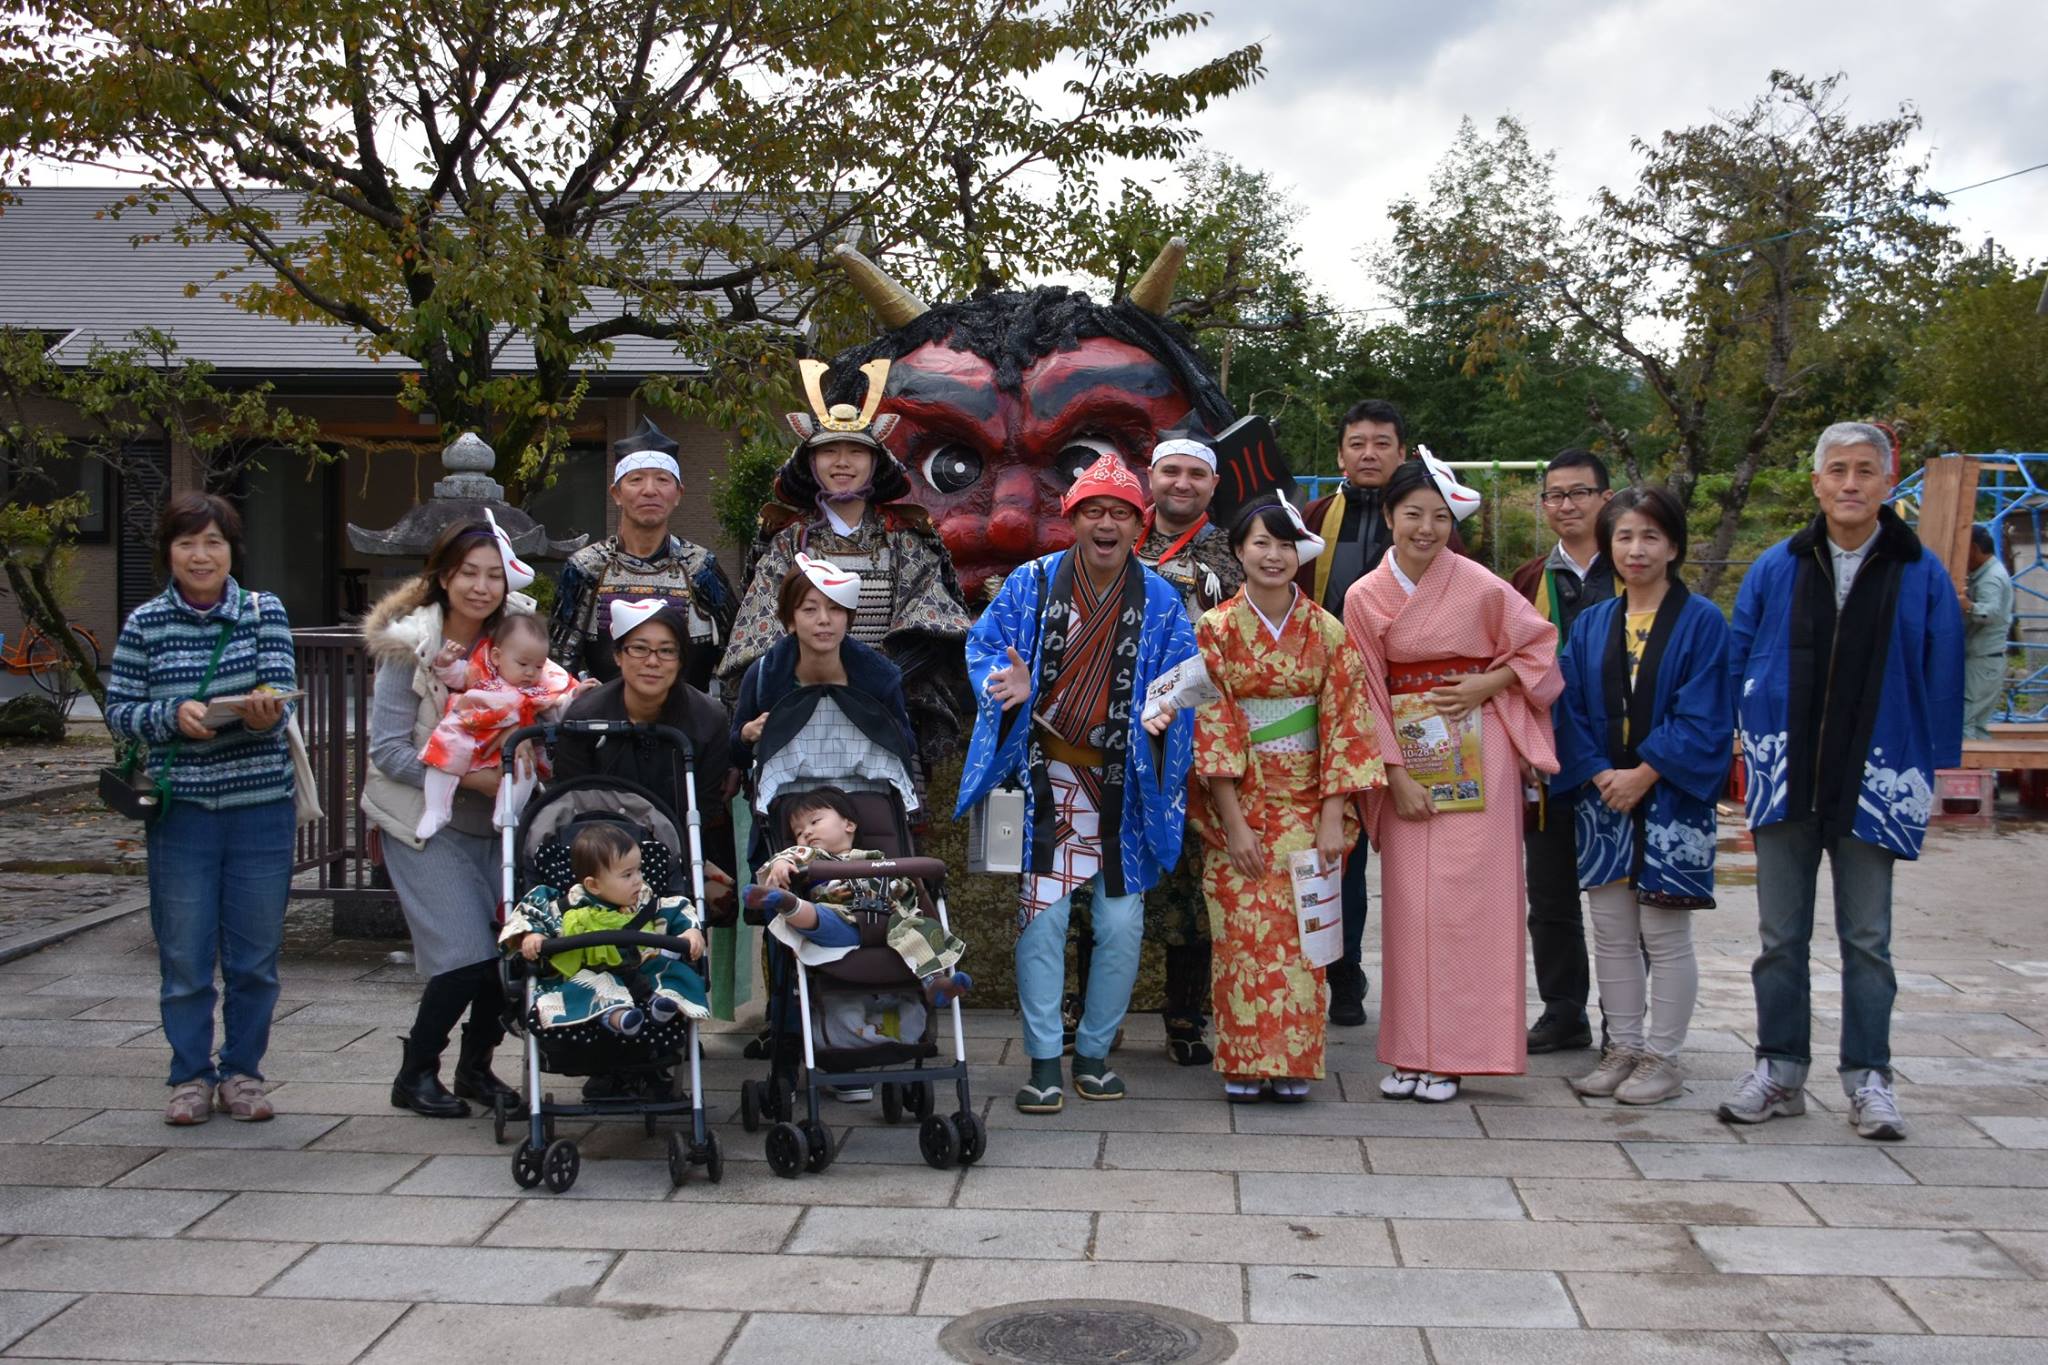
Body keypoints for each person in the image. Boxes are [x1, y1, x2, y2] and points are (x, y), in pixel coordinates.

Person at [1719, 422, 1964, 1141]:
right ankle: (1780, 1068)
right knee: (1778, 935)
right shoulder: (1777, 566)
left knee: (1867, 938)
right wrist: (1744, 751)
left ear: (1888, 482)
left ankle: (1869, 1078)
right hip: (1785, 776)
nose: (1850, 483)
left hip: (1875, 777)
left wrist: (1928, 769)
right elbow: (1740, 657)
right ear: (1817, 482)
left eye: (1865, 470)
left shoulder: (1920, 572)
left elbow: (1941, 671)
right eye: (1837, 470)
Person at [957, 451, 1197, 1115]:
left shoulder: (1164, 599)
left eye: (1120, 513)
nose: (1106, 523)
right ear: (1072, 519)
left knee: (1122, 924)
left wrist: (1167, 708)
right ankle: (1042, 1061)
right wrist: (1005, 687)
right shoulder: (1030, 584)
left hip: (1125, 781)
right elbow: (983, 649)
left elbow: (1188, 677)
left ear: (1138, 526)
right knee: (1043, 919)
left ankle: (1092, 1053)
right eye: (1093, 510)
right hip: (1047, 774)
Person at [1343, 453, 1561, 1104]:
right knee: (1412, 909)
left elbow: (1538, 647)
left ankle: (1461, 1053)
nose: (1426, 528)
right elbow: (1364, 691)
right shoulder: (1364, 595)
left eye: (1440, 517)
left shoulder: (1479, 583)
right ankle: (1413, 1051)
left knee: (1472, 905)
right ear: (1388, 516)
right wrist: (1391, 774)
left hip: (1478, 742)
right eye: (1413, 514)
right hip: (1407, 748)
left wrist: (1486, 682)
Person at [1180, 497, 1383, 1101]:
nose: (1273, 555)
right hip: (1236, 803)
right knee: (1241, 931)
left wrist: (1330, 816)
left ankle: (1294, 1060)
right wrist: (1234, 823)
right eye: (1260, 543)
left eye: (1285, 544)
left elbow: (1346, 723)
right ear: (1238, 552)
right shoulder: (1214, 630)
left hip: (1305, 799)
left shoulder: (1327, 630)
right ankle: (1243, 1061)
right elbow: (1210, 720)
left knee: (1301, 934)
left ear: (1301, 554)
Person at [105, 492, 298, 1126]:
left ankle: (243, 1073)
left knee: (254, 957)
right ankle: (189, 1076)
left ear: (230, 549)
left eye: (213, 541)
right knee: (185, 954)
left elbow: (281, 696)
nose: (200, 554)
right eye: (188, 542)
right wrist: (171, 715)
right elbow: (121, 711)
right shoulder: (145, 623)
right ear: (168, 551)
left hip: (259, 808)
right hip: (181, 809)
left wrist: (263, 709)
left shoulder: (263, 612)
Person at [1069, 436, 1246, 1066]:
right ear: (1150, 478)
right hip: (1109, 730)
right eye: (1170, 471)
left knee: (1186, 882)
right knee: (1097, 871)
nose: (1181, 483)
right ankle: (1092, 1016)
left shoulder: (1235, 550)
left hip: (1191, 734)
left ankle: (1184, 1016)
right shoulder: (1114, 537)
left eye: (1195, 474)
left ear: (1213, 483)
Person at [1553, 488, 1732, 1105]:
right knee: (1610, 931)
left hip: (1671, 796)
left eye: (1650, 536)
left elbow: (1706, 714)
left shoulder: (1703, 621)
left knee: (1664, 933)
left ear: (1674, 546)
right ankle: (1622, 1047)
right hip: (1601, 798)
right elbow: (1568, 704)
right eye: (1625, 536)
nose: (1636, 549)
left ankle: (1663, 1057)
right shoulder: (1593, 622)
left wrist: (1644, 773)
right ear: (1609, 544)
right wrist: (1602, 774)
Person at [1294, 400, 1463, 1027]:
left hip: (1414, 706)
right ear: (1340, 454)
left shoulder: (1431, 525)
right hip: (1324, 704)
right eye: (1357, 444)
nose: (1369, 454)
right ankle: (1333, 966)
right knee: (1336, 843)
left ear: (1403, 452)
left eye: (1382, 443)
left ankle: (1392, 974)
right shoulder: (1314, 519)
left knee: (1413, 842)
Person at [720, 360, 971, 765]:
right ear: (810, 462)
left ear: (875, 462)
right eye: (829, 451)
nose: (842, 462)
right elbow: (757, 635)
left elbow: (936, 622)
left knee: (885, 820)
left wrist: (881, 681)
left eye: (856, 451)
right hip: (796, 708)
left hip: (886, 708)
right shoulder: (788, 542)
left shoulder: (904, 539)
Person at [363, 518, 528, 1118]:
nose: (481, 587)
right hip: (421, 823)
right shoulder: (410, 647)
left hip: (495, 825)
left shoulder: (511, 645)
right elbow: (387, 752)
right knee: (466, 954)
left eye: (493, 575)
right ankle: (416, 1072)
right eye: (468, 574)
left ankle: (475, 1072)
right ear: (443, 577)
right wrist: (466, 777)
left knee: (509, 952)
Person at [1508, 449, 1617, 1056]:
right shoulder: (1528, 579)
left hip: (1618, 761)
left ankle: (1627, 1017)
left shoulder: (1631, 568)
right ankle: (1564, 1010)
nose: (1567, 505)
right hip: (1547, 761)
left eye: (1580, 493)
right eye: (1555, 495)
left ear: (1606, 497)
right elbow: (1508, 664)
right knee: (1550, 895)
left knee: (1625, 896)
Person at [549, 418, 737, 693]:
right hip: (604, 723)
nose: (650, 490)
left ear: (678, 494)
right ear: (616, 493)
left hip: (689, 723)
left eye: (662, 480)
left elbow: (734, 656)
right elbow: (558, 664)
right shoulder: (587, 567)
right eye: (636, 480)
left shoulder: (700, 566)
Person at [746, 785, 972, 1006]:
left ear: (849, 825)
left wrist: (908, 888)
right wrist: (782, 864)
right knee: (818, 916)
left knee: (921, 929)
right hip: (842, 918)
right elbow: (792, 854)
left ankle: (934, 982)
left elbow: (904, 889)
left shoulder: (878, 858)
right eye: (798, 832)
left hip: (892, 919)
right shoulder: (814, 856)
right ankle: (787, 903)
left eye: (815, 822)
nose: (806, 832)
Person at [500, 823, 709, 1036]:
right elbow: (532, 912)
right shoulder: (568, 906)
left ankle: (664, 1005)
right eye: (627, 875)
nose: (638, 879)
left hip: (644, 968)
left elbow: (677, 909)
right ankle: (618, 1018)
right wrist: (533, 934)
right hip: (591, 973)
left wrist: (691, 931)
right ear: (594, 886)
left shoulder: (647, 902)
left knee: (676, 973)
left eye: (639, 870)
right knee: (586, 990)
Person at [416, 609, 580, 840]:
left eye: (539, 666)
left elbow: (557, 705)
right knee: (443, 757)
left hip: (513, 746)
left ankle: (506, 813)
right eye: (522, 663)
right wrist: (444, 662)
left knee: (524, 769)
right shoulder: (482, 672)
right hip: (470, 730)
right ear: (496, 656)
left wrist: (576, 696)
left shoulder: (537, 688)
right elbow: (455, 676)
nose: (530, 672)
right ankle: (436, 808)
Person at [1962, 526, 2015, 740]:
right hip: (1988, 661)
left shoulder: (1991, 578)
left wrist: (1968, 606)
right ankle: (1982, 771)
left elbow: (1989, 612)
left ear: (1974, 549)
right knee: (1977, 725)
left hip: (1982, 660)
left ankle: (1965, 769)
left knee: (1965, 719)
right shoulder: (1986, 573)